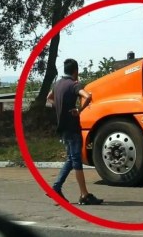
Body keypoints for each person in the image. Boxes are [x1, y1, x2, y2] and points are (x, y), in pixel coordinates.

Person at [46, 58, 103, 205]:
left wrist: (60, 108)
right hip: (72, 128)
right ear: (75, 71)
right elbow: (88, 96)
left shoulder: (57, 84)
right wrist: (79, 110)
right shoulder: (74, 85)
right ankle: (84, 195)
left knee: (71, 159)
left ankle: (56, 187)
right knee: (76, 160)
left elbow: (49, 98)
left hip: (62, 129)